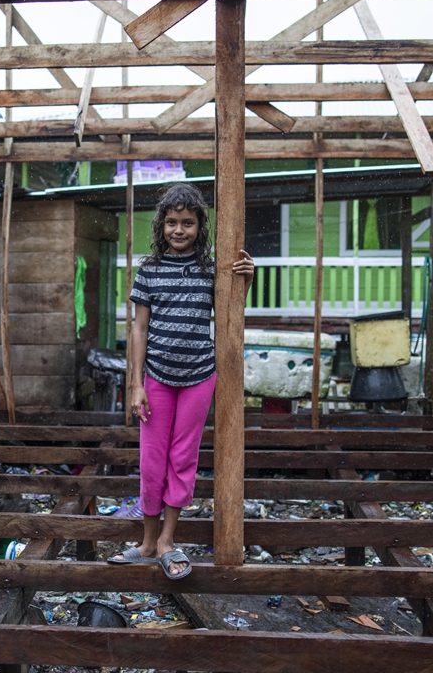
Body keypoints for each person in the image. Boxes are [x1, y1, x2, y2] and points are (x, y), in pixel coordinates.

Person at [107, 182, 254, 579]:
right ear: (161, 225)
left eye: (187, 223)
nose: (179, 230)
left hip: (198, 378)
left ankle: (169, 542)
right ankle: (148, 543)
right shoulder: (149, 270)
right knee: (152, 462)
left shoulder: (211, 269)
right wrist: (136, 384)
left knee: (183, 459)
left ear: (199, 226)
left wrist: (247, 277)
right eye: (172, 222)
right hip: (156, 378)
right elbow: (139, 330)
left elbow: (232, 311)